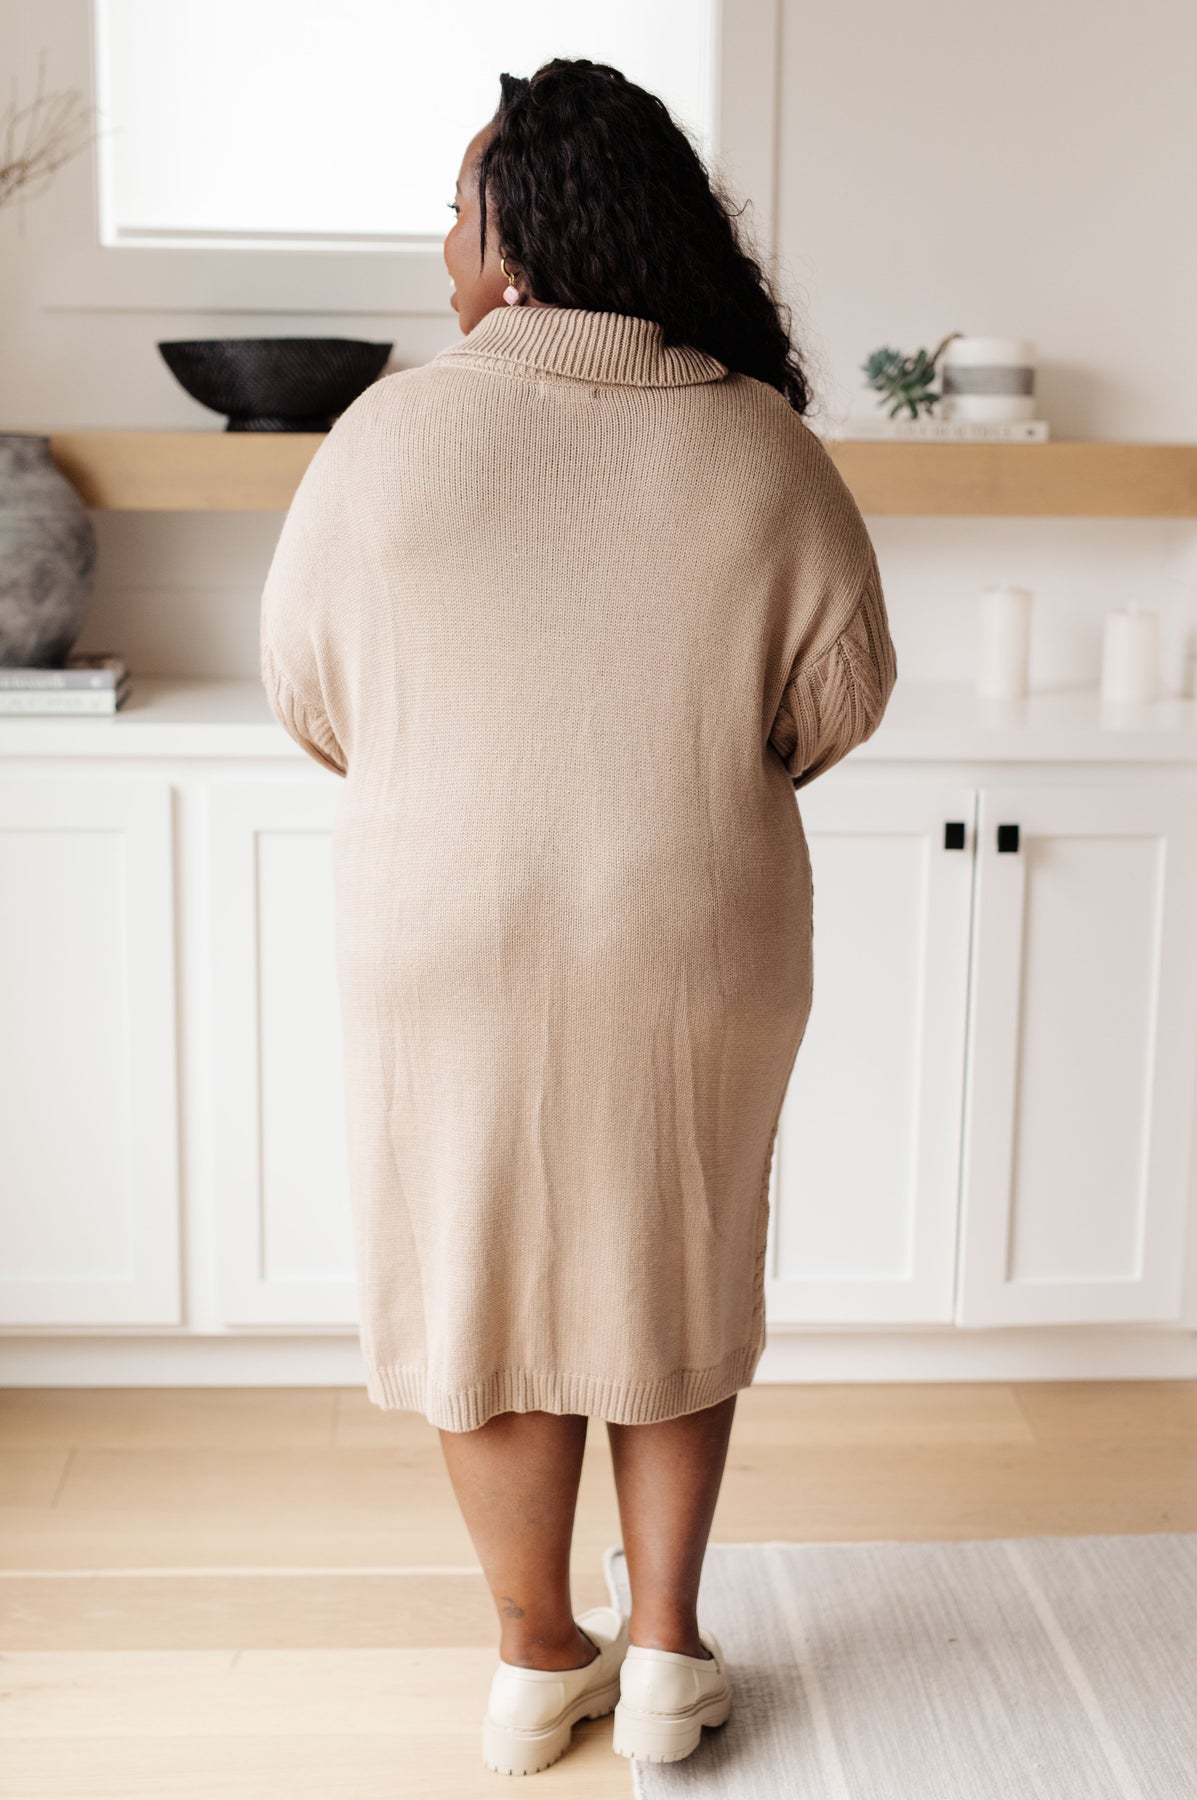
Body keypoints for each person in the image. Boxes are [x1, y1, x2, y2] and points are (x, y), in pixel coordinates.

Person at [259, 57, 897, 1778]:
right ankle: (667, 1654)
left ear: (522, 239)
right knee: (667, 1258)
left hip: (440, 933)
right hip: (692, 931)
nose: (440, 249)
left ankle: (537, 1660)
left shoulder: (388, 435)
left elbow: (307, 691)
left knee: (477, 1282)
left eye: (455, 212)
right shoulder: (760, 443)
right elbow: (837, 702)